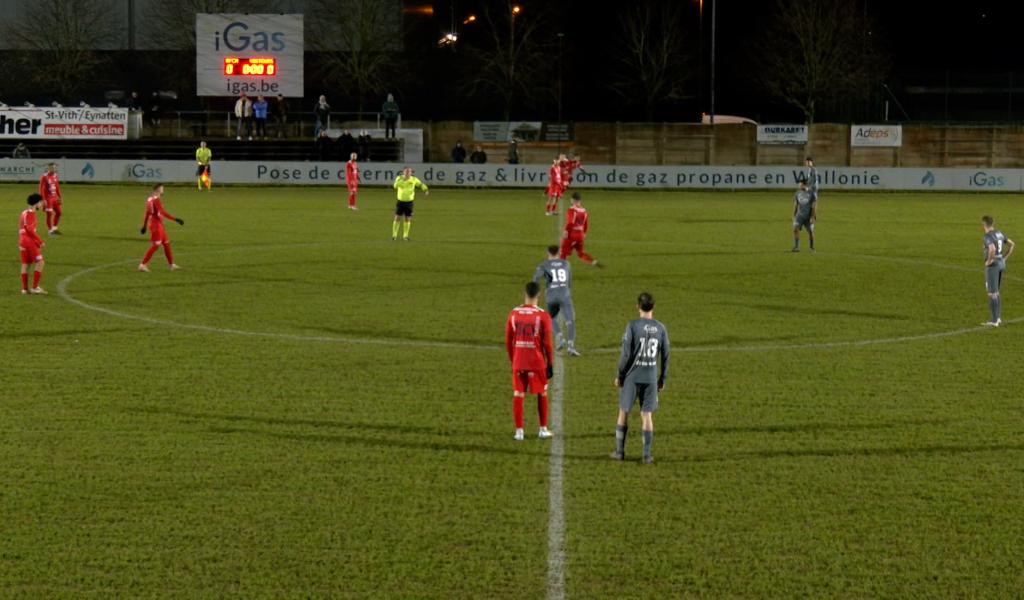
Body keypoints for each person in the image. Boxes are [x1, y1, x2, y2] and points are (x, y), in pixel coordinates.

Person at [612, 292, 670, 464]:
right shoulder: (661, 328)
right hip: (651, 377)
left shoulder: (632, 326)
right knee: (647, 415)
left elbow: (626, 354)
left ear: (638, 306)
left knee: (624, 412)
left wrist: (620, 375)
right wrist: (662, 379)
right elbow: (666, 355)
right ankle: (646, 455)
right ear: (653, 307)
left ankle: (620, 452)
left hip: (632, 377)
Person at [505, 281, 555, 441]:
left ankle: (519, 432)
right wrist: (550, 364)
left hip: (519, 361)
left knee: (518, 393)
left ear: (525, 294)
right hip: (537, 362)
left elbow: (508, 341)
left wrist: (513, 360)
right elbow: (547, 343)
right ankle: (542, 429)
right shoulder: (543, 316)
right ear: (539, 296)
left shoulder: (513, 314)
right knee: (542, 392)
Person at [534, 245, 580, 356]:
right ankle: (571, 347)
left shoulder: (544, 265)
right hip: (564, 294)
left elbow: (536, 279)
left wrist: (536, 293)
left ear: (548, 253)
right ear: (559, 253)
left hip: (551, 296)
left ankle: (559, 336)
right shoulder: (566, 263)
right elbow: (569, 281)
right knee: (570, 320)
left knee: (550, 317)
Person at [139, 183, 184, 272]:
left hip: (156, 224)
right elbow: (162, 212)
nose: (163, 190)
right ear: (159, 189)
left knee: (166, 244)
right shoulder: (156, 200)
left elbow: (147, 213)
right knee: (156, 245)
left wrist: (144, 225)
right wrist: (175, 219)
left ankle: (172, 265)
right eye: (162, 188)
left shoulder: (149, 199)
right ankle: (142, 265)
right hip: (156, 225)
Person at [981, 215, 1015, 327]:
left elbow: (992, 249)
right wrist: (1004, 258)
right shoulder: (999, 233)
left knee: (992, 293)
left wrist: (989, 261)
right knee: (996, 291)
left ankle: (994, 320)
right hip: (1001, 264)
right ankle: (998, 318)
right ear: (993, 223)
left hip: (993, 266)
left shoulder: (987, 236)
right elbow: (1012, 244)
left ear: (983, 225)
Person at [560, 193, 599, 266]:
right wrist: (584, 233)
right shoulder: (584, 211)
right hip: (580, 234)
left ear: (572, 200)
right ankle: (593, 261)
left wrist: (566, 231)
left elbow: (571, 222)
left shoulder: (572, 210)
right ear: (579, 201)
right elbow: (586, 224)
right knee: (581, 253)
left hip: (572, 234)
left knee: (563, 253)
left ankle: (562, 271)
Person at [18, 193, 46, 294]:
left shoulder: (24, 212)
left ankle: (25, 289)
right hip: (28, 241)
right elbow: (29, 229)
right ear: (37, 203)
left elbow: (22, 228)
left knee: (26, 264)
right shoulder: (31, 214)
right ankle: (35, 287)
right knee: (40, 262)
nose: (42, 204)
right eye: (41, 202)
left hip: (22, 240)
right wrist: (39, 241)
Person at [392, 167, 428, 241]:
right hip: (400, 201)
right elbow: (395, 186)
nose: (407, 173)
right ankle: (394, 235)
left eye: (409, 172)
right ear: (403, 172)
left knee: (407, 218)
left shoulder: (414, 179)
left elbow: (421, 184)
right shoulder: (399, 178)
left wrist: (425, 190)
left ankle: (405, 236)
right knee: (397, 217)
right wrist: (403, 181)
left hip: (409, 202)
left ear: (411, 173)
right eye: (406, 171)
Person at [791, 176, 817, 252]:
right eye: (799, 185)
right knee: (795, 229)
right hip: (800, 216)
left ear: (805, 185)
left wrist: (813, 217)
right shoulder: (797, 193)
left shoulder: (812, 193)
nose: (799, 186)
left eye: (801, 185)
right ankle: (796, 247)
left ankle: (811, 248)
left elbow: (814, 206)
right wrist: (794, 215)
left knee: (810, 232)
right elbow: (796, 205)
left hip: (808, 216)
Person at [38, 163, 62, 235]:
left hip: (55, 198)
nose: (54, 169)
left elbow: (57, 187)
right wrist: (42, 199)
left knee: (59, 212)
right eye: (52, 168)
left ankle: (54, 228)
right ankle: (50, 231)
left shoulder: (55, 176)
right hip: (48, 199)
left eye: (54, 168)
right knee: (49, 214)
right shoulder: (44, 177)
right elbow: (41, 189)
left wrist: (60, 197)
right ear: (48, 169)